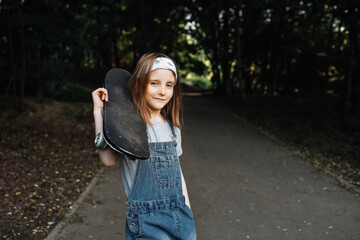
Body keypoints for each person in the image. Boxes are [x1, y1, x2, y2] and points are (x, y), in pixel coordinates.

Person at [91, 53, 196, 240]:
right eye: (154, 83)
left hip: (181, 217)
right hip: (147, 221)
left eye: (169, 85)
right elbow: (108, 160)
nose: (162, 91)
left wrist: (187, 208)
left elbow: (178, 172)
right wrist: (98, 112)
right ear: (139, 84)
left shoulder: (173, 128)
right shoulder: (128, 126)